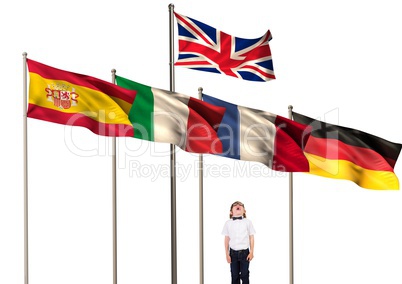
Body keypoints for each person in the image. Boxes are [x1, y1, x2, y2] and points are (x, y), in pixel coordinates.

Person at [222, 201, 256, 284]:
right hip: (233, 253)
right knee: (234, 275)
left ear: (244, 211)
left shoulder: (248, 222)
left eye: (240, 205)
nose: (238, 205)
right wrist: (227, 254)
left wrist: (251, 252)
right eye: (235, 205)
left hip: (245, 253)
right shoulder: (228, 223)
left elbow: (251, 237)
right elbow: (227, 239)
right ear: (231, 212)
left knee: (245, 275)